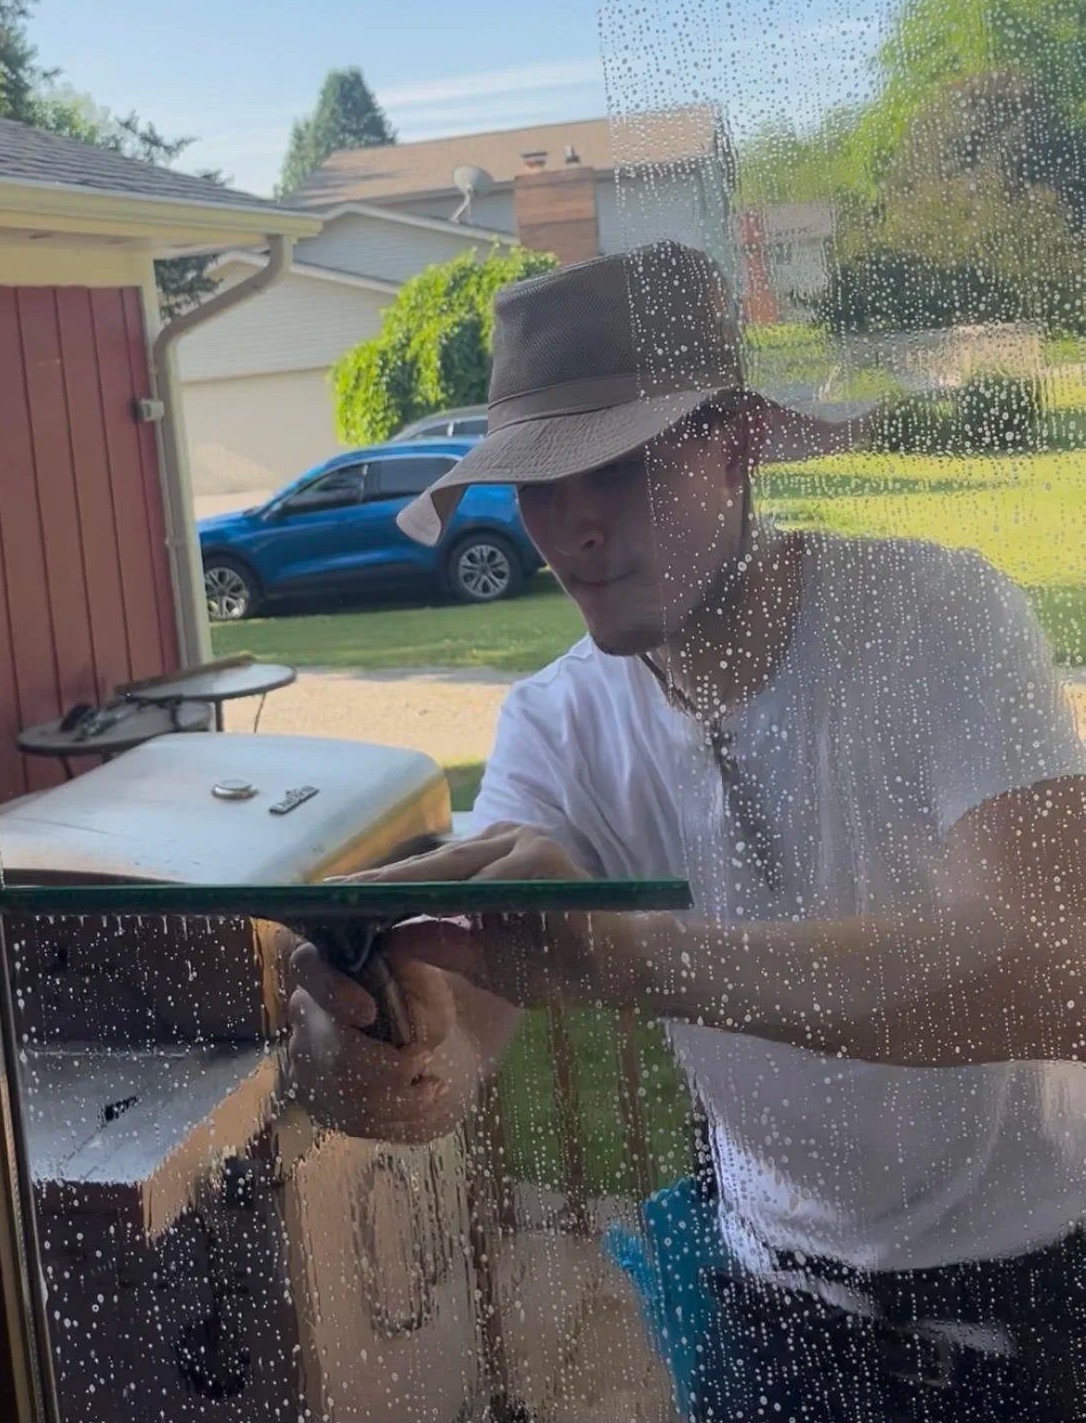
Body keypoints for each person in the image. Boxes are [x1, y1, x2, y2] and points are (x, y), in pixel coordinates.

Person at [288, 241, 1086, 1420]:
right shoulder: (556, 724)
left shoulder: (936, 613)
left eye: (611, 467)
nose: (567, 529)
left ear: (739, 441)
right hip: (773, 1307)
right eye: (534, 484)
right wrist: (363, 1056)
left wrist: (642, 959)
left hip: (1044, 1302)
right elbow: (456, 1057)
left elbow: (1057, 971)